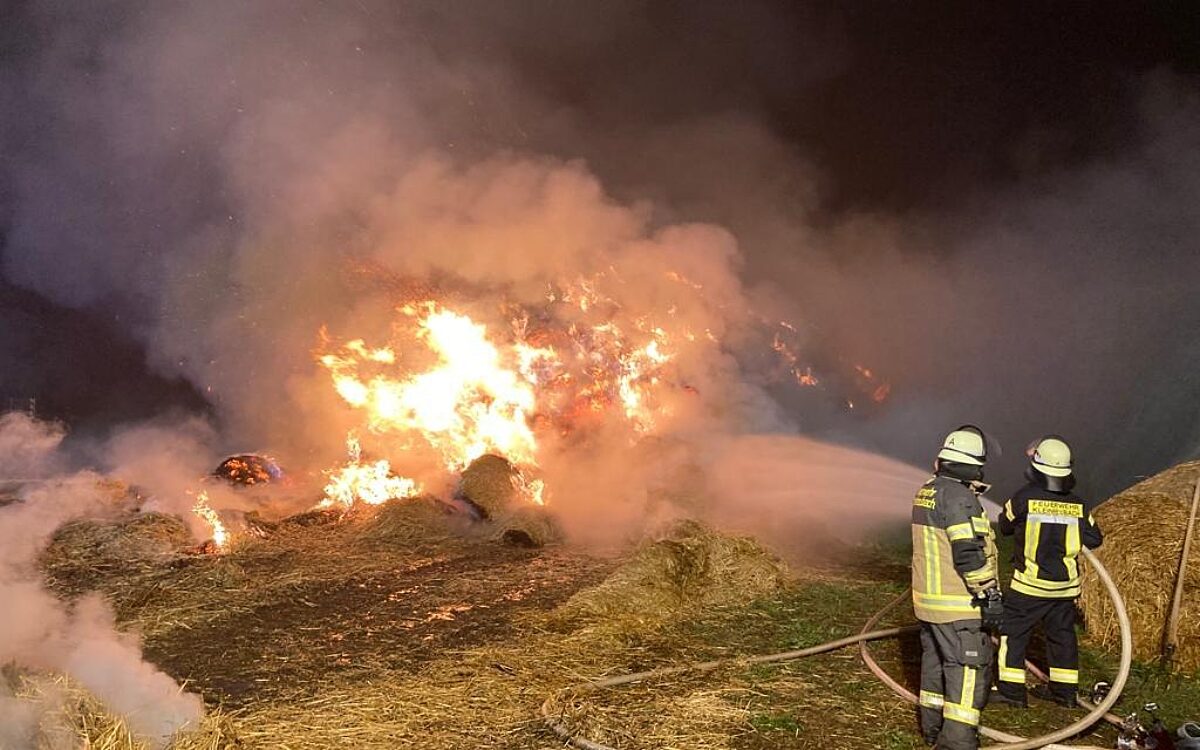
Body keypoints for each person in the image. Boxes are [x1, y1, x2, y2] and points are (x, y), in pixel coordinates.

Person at [912, 425, 1004, 748]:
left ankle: (932, 727)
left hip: (929, 603)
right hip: (958, 604)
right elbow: (967, 551)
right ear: (975, 466)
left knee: (935, 665)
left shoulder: (927, 491)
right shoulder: (960, 499)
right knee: (967, 670)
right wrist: (988, 594)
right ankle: (957, 741)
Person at [994, 436, 1103, 708]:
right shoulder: (1078, 505)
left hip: (1029, 585)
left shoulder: (1023, 498)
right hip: (1065, 588)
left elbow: (1004, 526)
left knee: (1013, 633)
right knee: (1062, 636)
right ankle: (1065, 693)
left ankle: (1011, 691)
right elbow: (1094, 538)